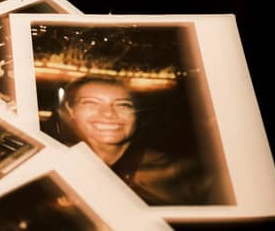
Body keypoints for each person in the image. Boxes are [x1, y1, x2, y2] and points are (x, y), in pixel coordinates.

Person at [52, 75, 216, 205]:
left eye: (123, 105)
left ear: (136, 114)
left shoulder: (178, 172)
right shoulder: (53, 162)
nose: (109, 114)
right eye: (91, 103)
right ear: (70, 110)